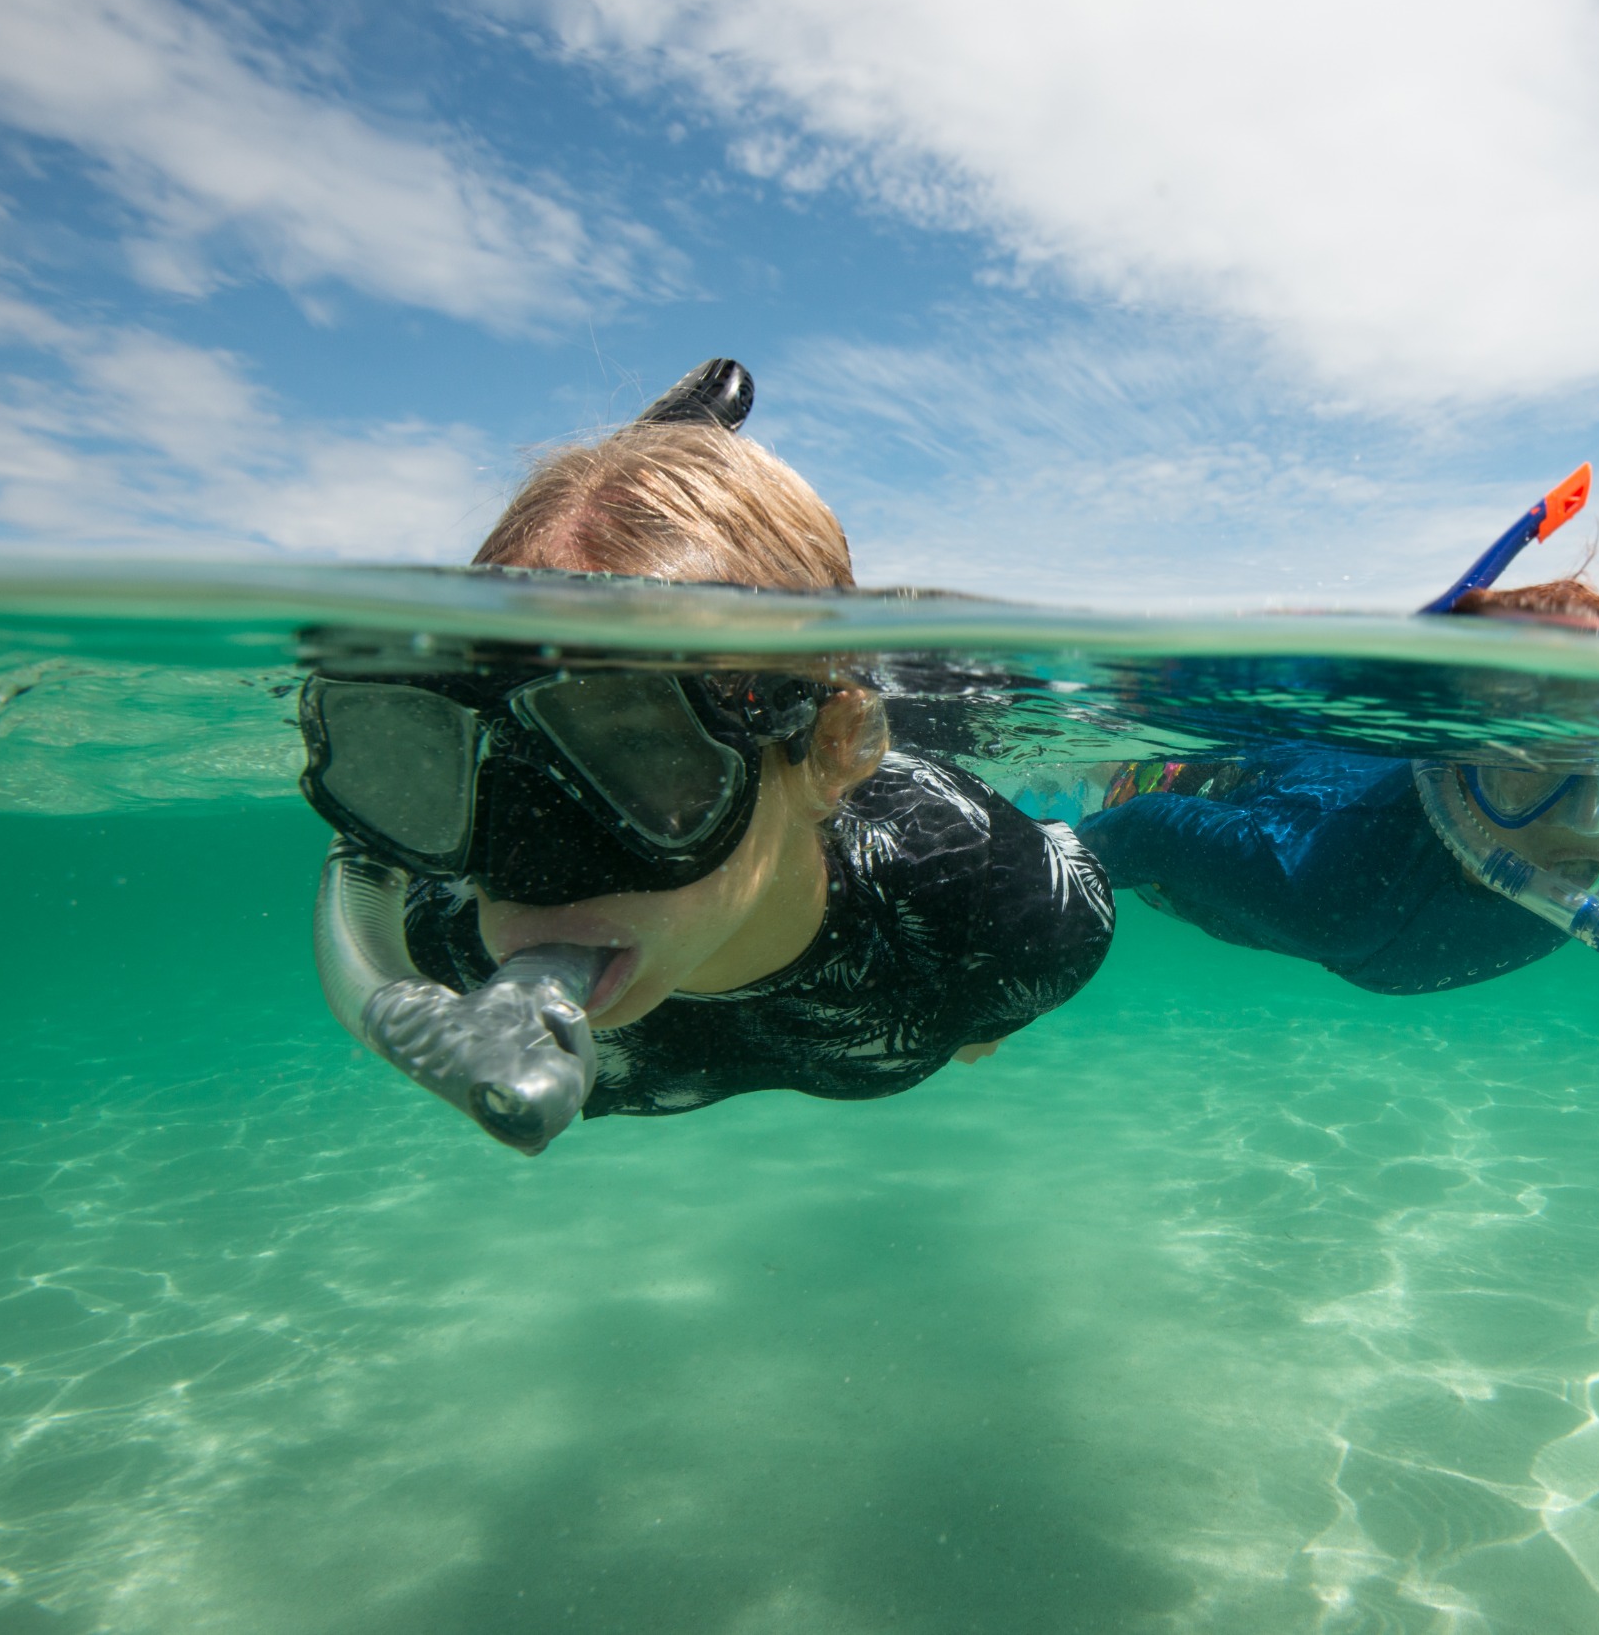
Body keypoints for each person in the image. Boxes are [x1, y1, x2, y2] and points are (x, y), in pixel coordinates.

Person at [300, 360, 1113, 1153]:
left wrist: (990, 1016)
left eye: (638, 750)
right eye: (480, 763)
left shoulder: (996, 906)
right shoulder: (443, 950)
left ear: (834, 748)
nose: (520, 865)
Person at [1074, 466, 1599, 995]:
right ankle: (1085, 760)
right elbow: (1145, 829)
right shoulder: (1326, 881)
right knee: (1127, 779)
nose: (1594, 823)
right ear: (1455, 771)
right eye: (1534, 771)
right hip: (1224, 787)